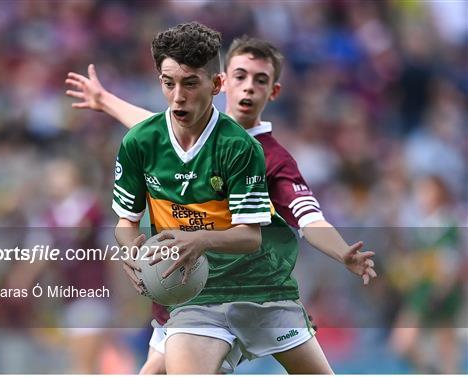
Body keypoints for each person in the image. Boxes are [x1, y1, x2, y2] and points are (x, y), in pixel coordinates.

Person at [66, 31, 377, 374]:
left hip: (261, 290)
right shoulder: (167, 129)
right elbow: (156, 130)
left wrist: (342, 251)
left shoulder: (266, 156)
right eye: (241, 76)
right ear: (225, 82)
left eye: (260, 80)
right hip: (194, 292)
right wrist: (105, 100)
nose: (248, 87)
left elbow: (309, 218)